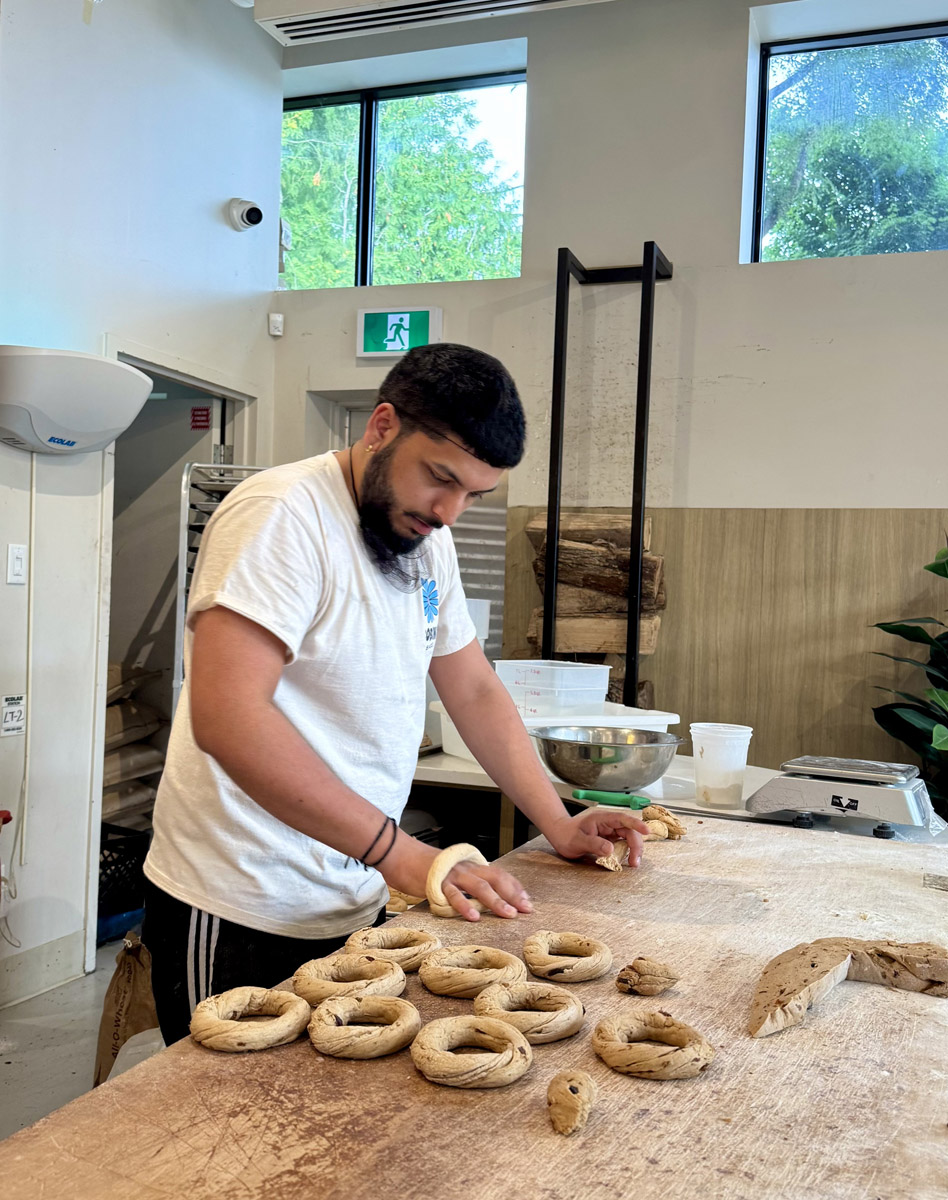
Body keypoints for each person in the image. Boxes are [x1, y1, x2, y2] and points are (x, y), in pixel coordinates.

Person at [141, 343, 648, 1044]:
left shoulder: (425, 539)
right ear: (382, 426)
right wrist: (403, 855)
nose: (450, 512)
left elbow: (473, 687)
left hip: (353, 898)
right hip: (243, 904)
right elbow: (229, 718)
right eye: (440, 478)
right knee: (223, 1110)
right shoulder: (281, 516)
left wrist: (558, 822)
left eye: (474, 495)